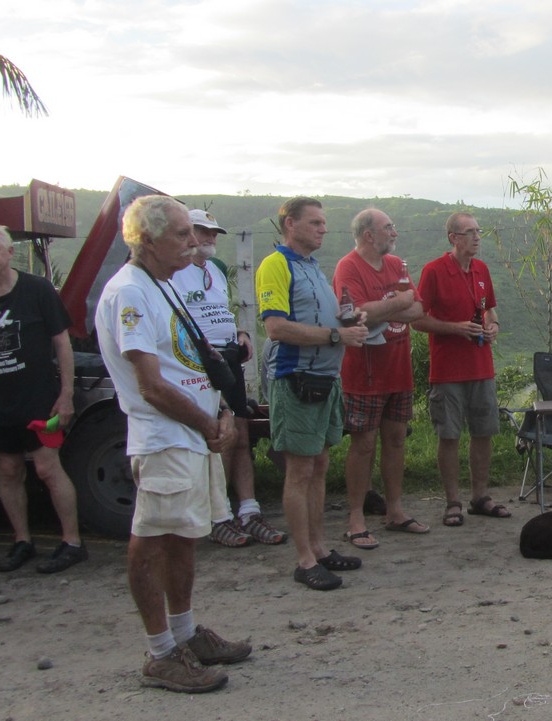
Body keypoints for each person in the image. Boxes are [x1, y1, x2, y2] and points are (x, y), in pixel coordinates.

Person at [96, 196, 250, 693]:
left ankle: (185, 635)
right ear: (147, 240)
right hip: (164, 437)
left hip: (190, 434)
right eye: (182, 234)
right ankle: (161, 653)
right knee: (153, 540)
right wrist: (207, 425)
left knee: (183, 535)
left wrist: (220, 412)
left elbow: (189, 363)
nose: (193, 243)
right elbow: (151, 385)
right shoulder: (130, 292)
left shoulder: (161, 285)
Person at [258, 197, 369, 591]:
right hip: (296, 378)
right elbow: (276, 328)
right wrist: (337, 336)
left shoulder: (312, 267)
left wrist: (349, 320)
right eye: (315, 222)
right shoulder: (277, 265)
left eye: (323, 222)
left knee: (319, 464)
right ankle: (304, 559)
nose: (324, 228)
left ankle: (320, 548)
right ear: (290, 224)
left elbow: (320, 318)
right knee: (300, 470)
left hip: (325, 378)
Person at [0, 222, 85, 573]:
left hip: (38, 397)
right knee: (8, 469)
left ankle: (72, 542)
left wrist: (66, 394)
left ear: (9, 252)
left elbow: (62, 342)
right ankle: (22, 541)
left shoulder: (36, 288)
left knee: (47, 468)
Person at [169, 209, 286, 547]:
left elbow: (219, 310)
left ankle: (249, 510)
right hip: (198, 361)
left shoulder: (216, 269)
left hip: (229, 357)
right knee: (217, 435)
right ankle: (217, 515)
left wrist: (240, 333)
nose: (210, 238)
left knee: (240, 433)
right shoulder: (175, 272)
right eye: (202, 230)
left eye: (214, 232)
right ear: (186, 233)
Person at [333, 208, 429, 549]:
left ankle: (395, 511)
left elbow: (418, 309)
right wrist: (399, 302)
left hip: (398, 368)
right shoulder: (348, 267)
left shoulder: (396, 265)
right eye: (388, 227)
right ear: (369, 235)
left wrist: (385, 308)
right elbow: (354, 313)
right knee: (363, 444)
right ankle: (356, 519)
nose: (395, 233)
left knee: (397, 439)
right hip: (364, 371)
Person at [413, 212, 509, 527]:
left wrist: (493, 327)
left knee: (484, 432)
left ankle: (480, 497)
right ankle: (452, 502)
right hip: (448, 370)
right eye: (469, 232)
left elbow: (490, 310)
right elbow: (417, 320)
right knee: (449, 435)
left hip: (481, 366)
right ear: (453, 238)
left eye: (478, 231)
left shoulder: (481, 269)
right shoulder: (434, 271)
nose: (477, 237)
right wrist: (455, 328)